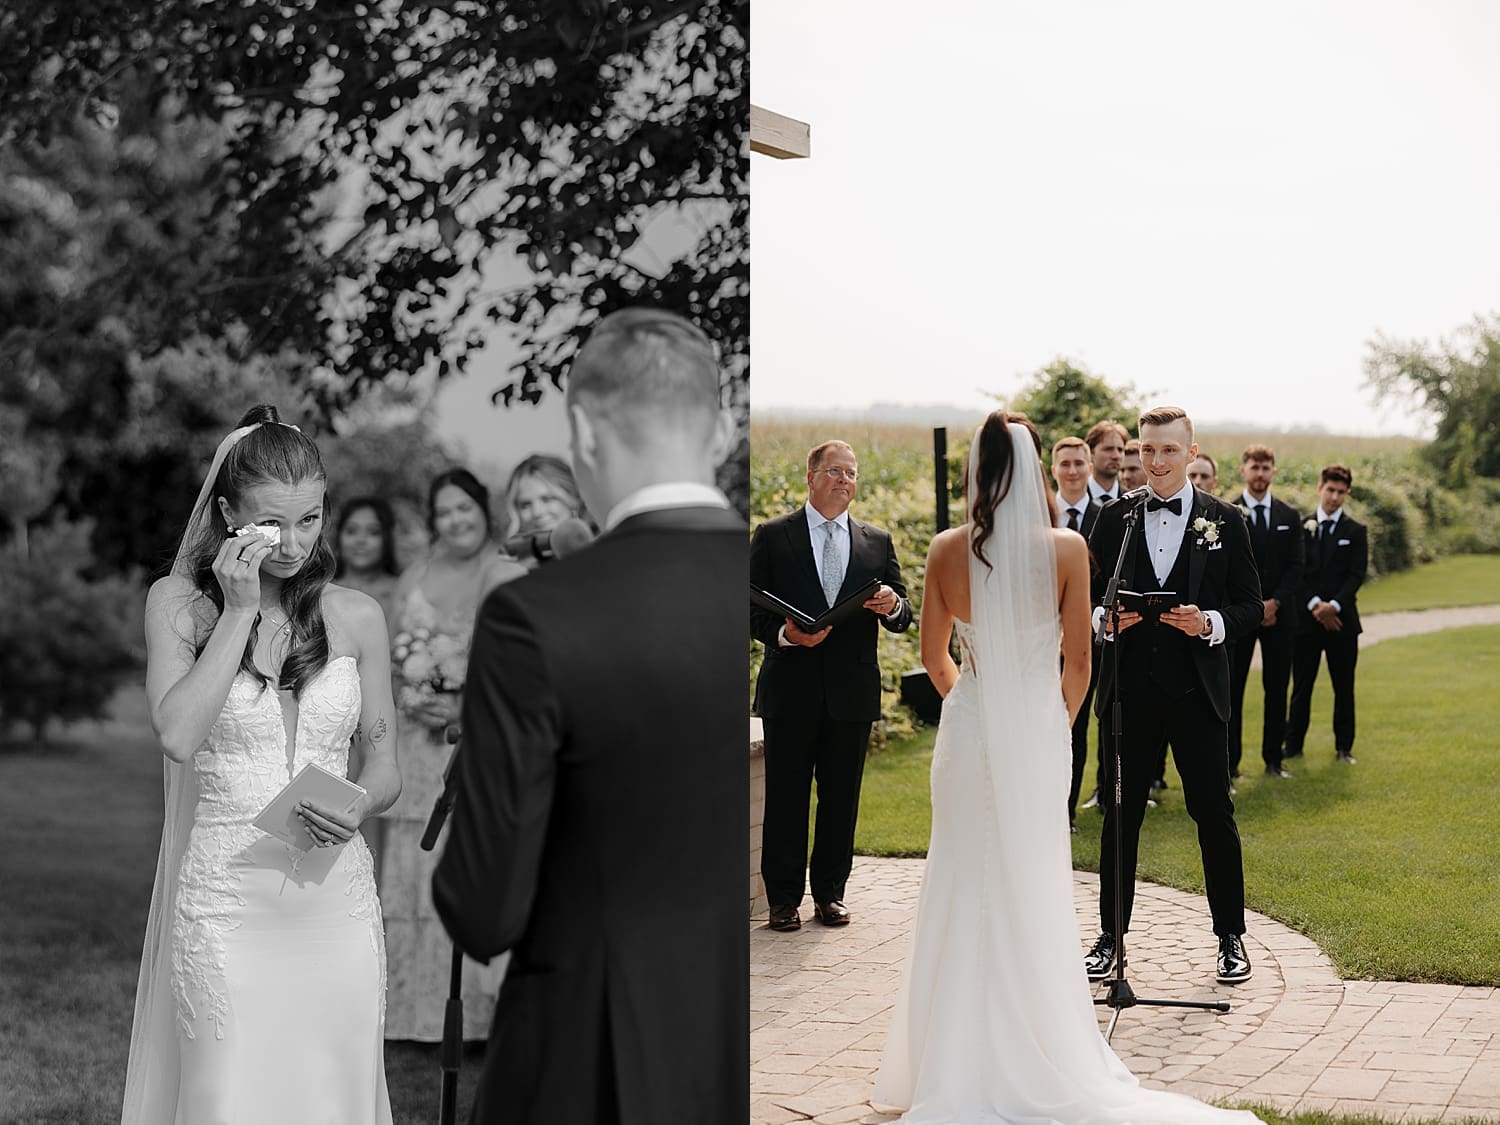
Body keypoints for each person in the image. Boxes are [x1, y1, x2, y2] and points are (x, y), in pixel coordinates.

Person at [871, 410, 1261, 1125]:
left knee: (958, 872)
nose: (1155, 457)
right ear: (1038, 471)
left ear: (976, 472)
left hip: (972, 731)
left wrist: (979, 710)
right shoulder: (1072, 546)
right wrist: (1049, 724)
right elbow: (1079, 660)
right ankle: (1049, 1025)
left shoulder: (944, 549)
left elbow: (933, 660)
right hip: (1043, 726)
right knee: (1032, 876)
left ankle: (944, 1058)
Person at [432, 308, 747, 1123]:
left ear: (582, 429)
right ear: (718, 432)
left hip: (594, 1057)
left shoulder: (533, 618)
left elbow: (484, 907)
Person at [123, 405, 400, 1124]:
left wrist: (358, 803)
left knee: (332, 1094)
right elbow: (178, 733)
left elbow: (386, 764)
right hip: (225, 905)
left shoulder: (358, 615)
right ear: (225, 514)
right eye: (273, 523)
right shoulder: (177, 606)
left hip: (335, 902)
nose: (294, 542)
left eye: (311, 518)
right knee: (230, 1097)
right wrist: (241, 611)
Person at [1084, 406, 1261, 986]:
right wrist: (1103, 621)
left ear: (1190, 452)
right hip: (1128, 696)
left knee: (1213, 811)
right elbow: (1084, 598)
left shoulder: (1225, 520)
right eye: (1147, 451)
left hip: (1196, 694)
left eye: (1167, 451)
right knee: (1120, 814)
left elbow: (1249, 606)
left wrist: (1207, 622)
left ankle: (1230, 937)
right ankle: (1111, 937)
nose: (1155, 462)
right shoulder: (1115, 519)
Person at [379, 468, 526, 1041]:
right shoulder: (416, 573)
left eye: (464, 509)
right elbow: (394, 651)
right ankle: (408, 1015)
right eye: (443, 513)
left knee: (462, 864)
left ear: (483, 511)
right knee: (412, 866)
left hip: (475, 743)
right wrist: (411, 692)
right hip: (416, 744)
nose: (455, 522)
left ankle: (473, 1021)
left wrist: (464, 705)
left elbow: (512, 663)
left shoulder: (502, 572)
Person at [751, 439, 912, 932]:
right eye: (835, 471)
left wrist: (892, 605)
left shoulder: (876, 541)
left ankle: (831, 895)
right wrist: (785, 633)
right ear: (811, 476)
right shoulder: (773, 535)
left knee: (841, 798)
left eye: (852, 473)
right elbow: (747, 607)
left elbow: (904, 615)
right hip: (790, 688)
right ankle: (782, 901)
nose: (845, 480)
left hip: (851, 692)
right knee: (785, 797)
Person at [1230, 445, 1305, 780]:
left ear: (1273, 472)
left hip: (1280, 615)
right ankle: (1229, 765)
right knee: (1232, 690)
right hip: (1240, 617)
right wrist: (1252, 607)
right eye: (1254, 467)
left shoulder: (1290, 516)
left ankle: (1273, 760)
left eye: (1265, 468)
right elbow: (1226, 568)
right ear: (1242, 470)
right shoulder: (1227, 513)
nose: (1259, 474)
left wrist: (1275, 603)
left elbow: (1296, 567)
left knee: (1277, 689)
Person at [1284, 464, 1366, 765]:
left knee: (1343, 687)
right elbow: (1297, 572)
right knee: (1301, 685)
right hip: (1306, 622)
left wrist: (1334, 606)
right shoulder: (1302, 526)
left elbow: (1357, 575)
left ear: (1347, 494)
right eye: (1330, 490)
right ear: (1320, 488)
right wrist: (1317, 605)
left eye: (1341, 492)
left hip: (1342, 622)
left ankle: (1344, 747)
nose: (1334, 497)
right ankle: (1292, 746)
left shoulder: (1356, 531)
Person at [1051, 435, 1102, 831]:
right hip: (1043, 639)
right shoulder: (1037, 515)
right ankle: (1047, 804)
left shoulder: (1109, 515)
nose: (1071, 471)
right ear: (1054, 469)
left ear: (1090, 467)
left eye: (1078, 463)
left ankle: (1069, 809)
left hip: (1097, 637)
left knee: (1082, 721)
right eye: (1064, 463)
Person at [333, 496, 401, 624]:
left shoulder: (404, 591)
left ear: (387, 538)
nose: (361, 540)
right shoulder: (318, 593)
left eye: (373, 532)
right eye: (351, 531)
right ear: (338, 537)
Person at [1085, 419, 1129, 506]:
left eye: (1120, 450)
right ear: (1091, 452)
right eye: (1108, 449)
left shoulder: (1132, 502)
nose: (1116, 456)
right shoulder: (1076, 498)